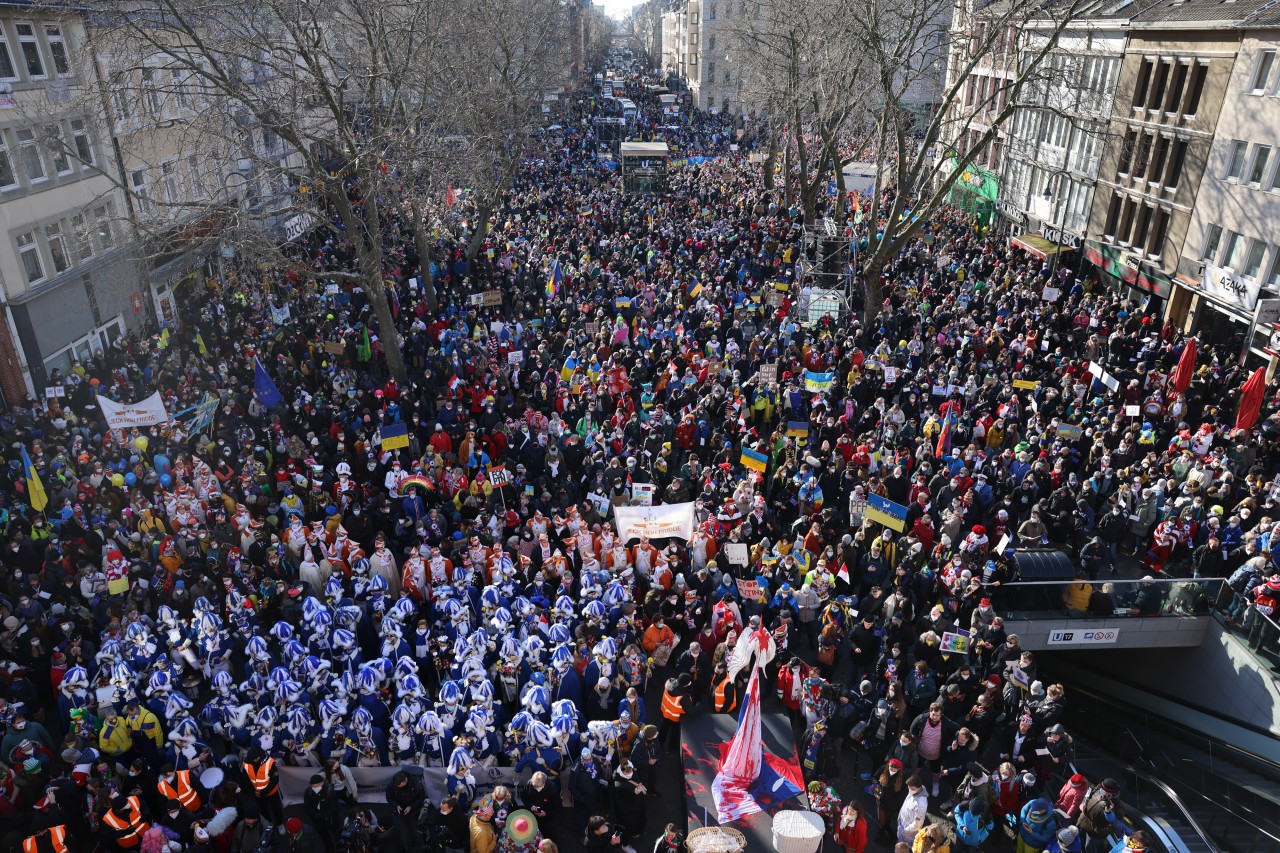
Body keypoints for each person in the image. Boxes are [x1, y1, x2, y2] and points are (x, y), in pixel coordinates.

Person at [241, 747, 284, 830]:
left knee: (276, 808)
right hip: (257, 793)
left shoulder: (270, 763)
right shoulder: (247, 762)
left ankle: (280, 823)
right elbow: (245, 778)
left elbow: (275, 780)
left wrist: (264, 792)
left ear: (258, 758)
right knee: (263, 809)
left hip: (271, 792)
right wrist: (252, 791)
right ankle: (268, 823)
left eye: (252, 760)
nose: (250, 762)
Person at [898, 776, 929, 844]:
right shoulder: (915, 791)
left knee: (905, 845)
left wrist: (905, 831)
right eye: (909, 788)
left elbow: (917, 824)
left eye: (912, 789)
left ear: (919, 787)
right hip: (903, 822)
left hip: (908, 831)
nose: (910, 790)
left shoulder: (921, 805)